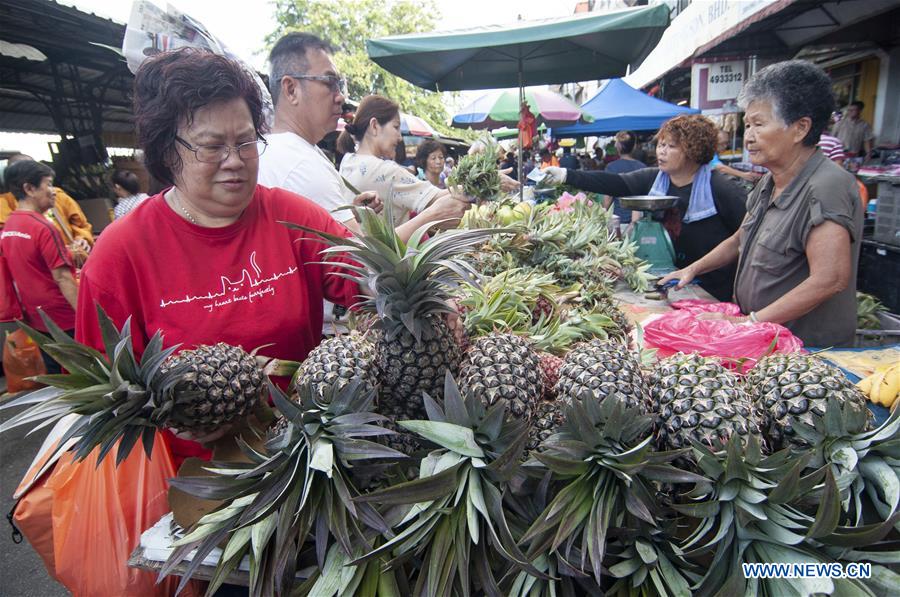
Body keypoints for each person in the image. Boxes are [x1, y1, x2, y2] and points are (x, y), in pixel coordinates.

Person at [660, 61, 862, 347]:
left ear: (800, 128)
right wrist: (692, 270)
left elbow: (830, 278)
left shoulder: (826, 185)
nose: (749, 137)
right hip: (762, 342)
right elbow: (739, 239)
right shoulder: (769, 183)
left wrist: (750, 322)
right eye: (747, 125)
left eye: (759, 124)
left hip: (807, 353)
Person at [543, 114, 747, 301]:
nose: (661, 151)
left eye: (671, 146)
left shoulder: (719, 187)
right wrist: (566, 175)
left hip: (714, 290)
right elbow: (616, 183)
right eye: (661, 144)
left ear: (693, 150)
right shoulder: (655, 179)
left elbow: (745, 235)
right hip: (672, 286)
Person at [337, 94, 470, 227]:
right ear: (375, 126)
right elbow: (436, 198)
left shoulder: (348, 160)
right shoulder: (384, 170)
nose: (400, 137)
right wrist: (476, 186)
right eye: (396, 127)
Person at [0, 160, 78, 374]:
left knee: (57, 374)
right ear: (29, 188)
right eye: (48, 184)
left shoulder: (9, 226)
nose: (53, 192)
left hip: (36, 318)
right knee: (84, 373)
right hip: (64, 319)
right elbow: (63, 278)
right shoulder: (43, 227)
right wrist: (86, 315)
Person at [1, 153, 93, 265]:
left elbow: (81, 224)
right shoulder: (4, 203)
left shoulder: (56, 195)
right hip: (40, 264)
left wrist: (81, 238)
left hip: (72, 260)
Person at [602, 131, 646, 225]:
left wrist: (602, 215)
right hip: (639, 222)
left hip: (618, 221)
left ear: (618, 147)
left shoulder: (612, 167)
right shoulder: (642, 167)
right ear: (634, 147)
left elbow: (608, 196)